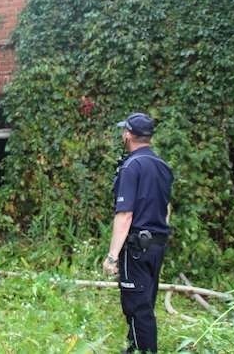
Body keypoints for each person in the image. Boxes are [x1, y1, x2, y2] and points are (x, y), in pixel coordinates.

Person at [102, 112, 174, 354]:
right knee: (145, 302)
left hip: (136, 248)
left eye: (124, 131)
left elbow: (125, 215)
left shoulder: (131, 166)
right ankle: (134, 348)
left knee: (136, 306)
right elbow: (166, 208)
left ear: (129, 135)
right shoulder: (162, 166)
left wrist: (112, 256)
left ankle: (144, 350)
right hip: (157, 245)